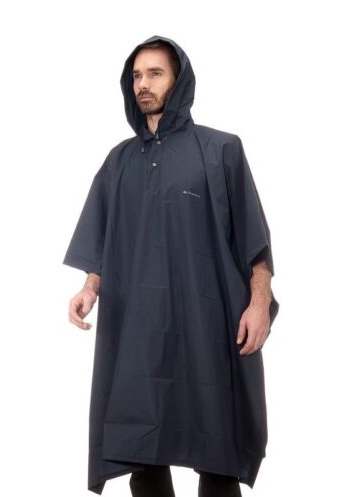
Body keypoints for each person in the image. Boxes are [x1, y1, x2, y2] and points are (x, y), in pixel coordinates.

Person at [63, 35, 279, 497]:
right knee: (141, 447)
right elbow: (104, 236)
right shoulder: (119, 161)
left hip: (209, 326)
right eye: (137, 76)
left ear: (178, 81)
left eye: (155, 73)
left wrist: (259, 303)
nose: (143, 84)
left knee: (217, 449)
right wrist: (90, 286)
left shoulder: (221, 150)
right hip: (138, 329)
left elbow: (255, 244)